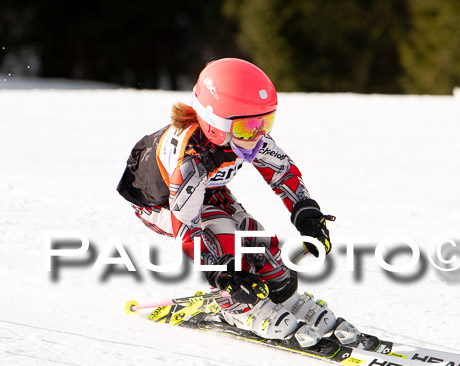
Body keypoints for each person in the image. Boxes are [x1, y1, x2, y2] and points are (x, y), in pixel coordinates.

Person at [117, 58, 358, 348]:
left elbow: (282, 173)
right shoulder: (192, 162)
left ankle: (284, 296)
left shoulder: (243, 135)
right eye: (249, 127)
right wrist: (223, 273)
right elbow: (189, 229)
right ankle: (236, 308)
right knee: (224, 235)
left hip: (207, 189)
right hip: (159, 204)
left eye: (265, 122)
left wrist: (306, 215)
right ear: (216, 124)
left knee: (254, 237)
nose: (258, 135)